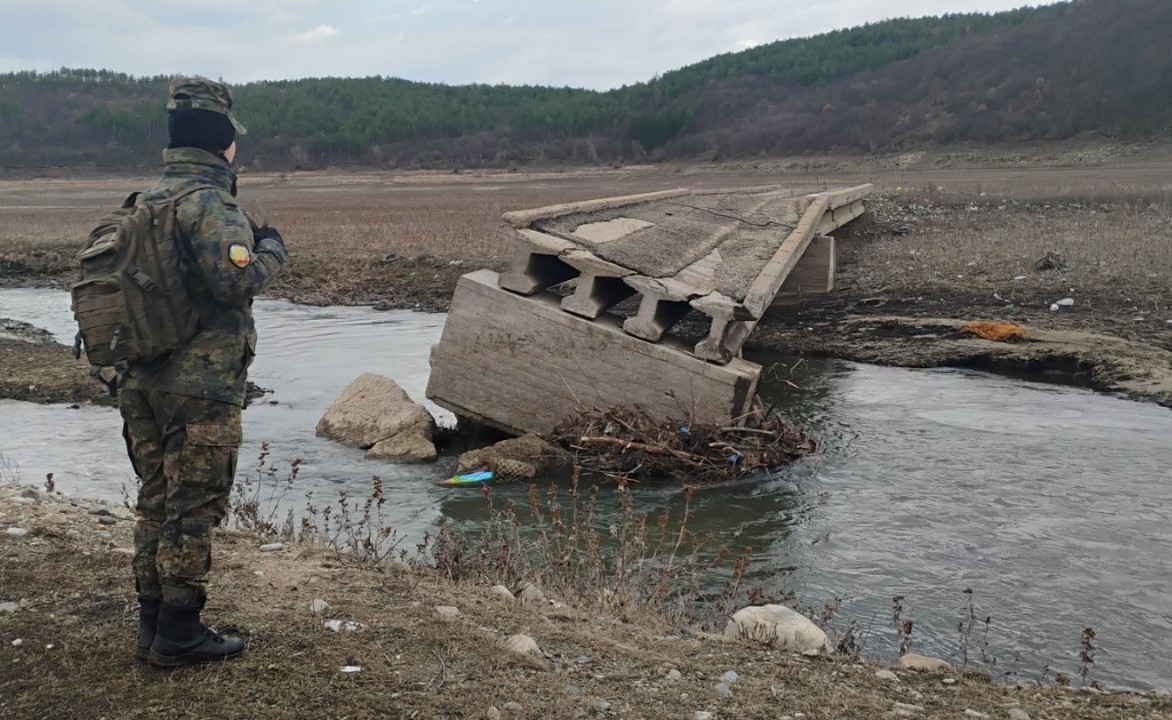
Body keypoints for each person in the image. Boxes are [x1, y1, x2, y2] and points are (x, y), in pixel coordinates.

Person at [120, 76, 287, 667]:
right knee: (193, 506)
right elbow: (233, 281)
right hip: (200, 382)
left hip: (140, 377)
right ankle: (181, 632)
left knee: (156, 500)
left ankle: (151, 626)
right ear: (222, 142)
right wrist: (271, 250)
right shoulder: (209, 203)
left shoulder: (143, 202)